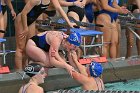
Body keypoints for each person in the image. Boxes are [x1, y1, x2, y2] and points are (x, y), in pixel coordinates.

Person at [14, 0, 76, 70]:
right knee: (20, 48)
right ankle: (18, 71)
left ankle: (26, 68)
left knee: (27, 47)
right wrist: (25, 28)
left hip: (31, 21)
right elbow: (24, 13)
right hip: (22, 21)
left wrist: (68, 23)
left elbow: (59, 8)